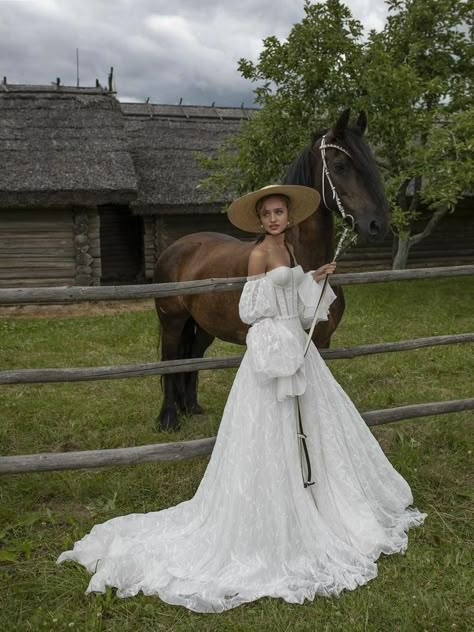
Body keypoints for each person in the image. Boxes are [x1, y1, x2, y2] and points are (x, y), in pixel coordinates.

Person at [57, 184, 427, 613]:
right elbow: (252, 310)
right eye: (267, 213)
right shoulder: (258, 255)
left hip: (296, 349)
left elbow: (291, 299)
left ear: (289, 217)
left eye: (279, 212)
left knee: (310, 423)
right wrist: (277, 342)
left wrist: (312, 281)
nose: (273, 219)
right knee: (269, 427)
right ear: (260, 219)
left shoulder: (289, 250)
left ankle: (310, 493)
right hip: (274, 350)